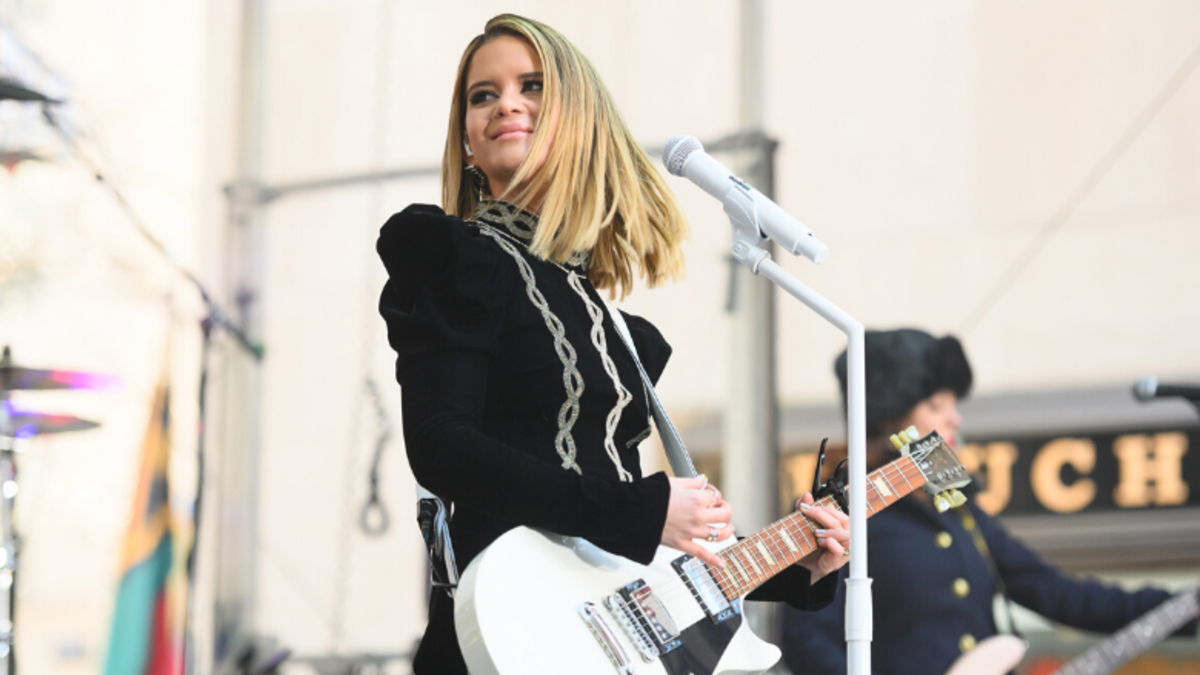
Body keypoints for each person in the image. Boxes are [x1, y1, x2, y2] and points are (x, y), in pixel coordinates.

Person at [376, 15, 851, 674]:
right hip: (507, 633)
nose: (506, 103)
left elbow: (617, 552)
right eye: (483, 95)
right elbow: (441, 445)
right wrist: (645, 510)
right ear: (467, 142)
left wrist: (797, 565)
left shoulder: (608, 320)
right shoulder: (456, 259)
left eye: (532, 86)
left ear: (580, 120)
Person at [779, 328, 1197, 675]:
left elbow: (1056, 593)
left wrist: (1185, 607)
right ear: (890, 420)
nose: (955, 418)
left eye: (953, 405)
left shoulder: (958, 509)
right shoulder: (839, 512)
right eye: (937, 405)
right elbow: (806, 641)